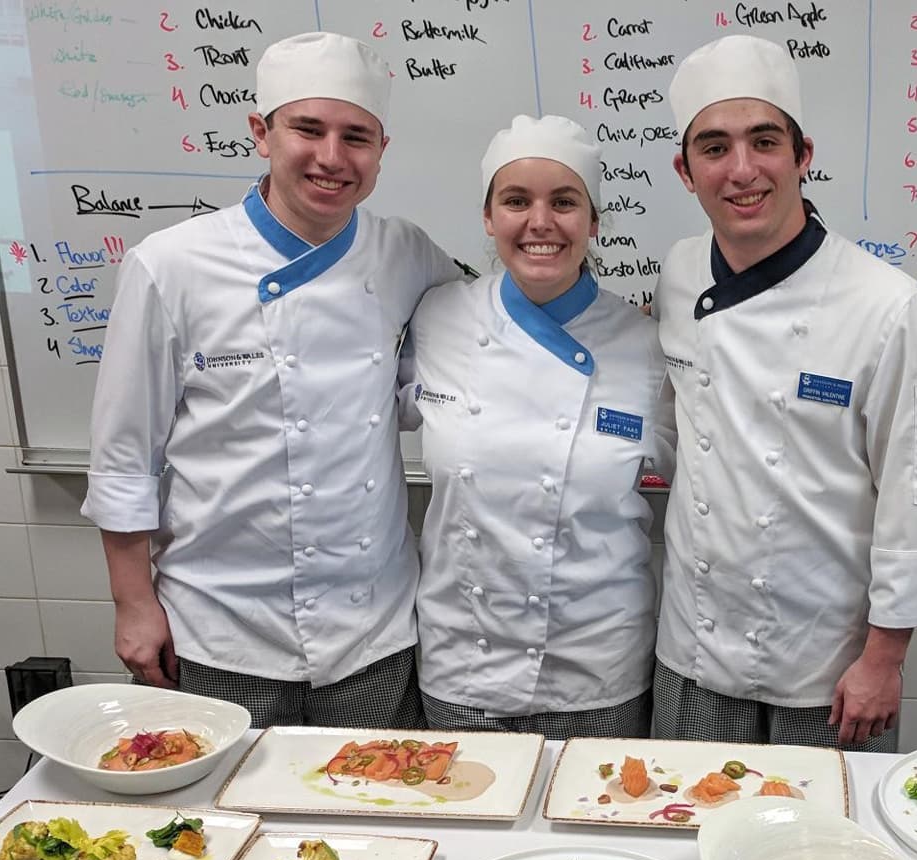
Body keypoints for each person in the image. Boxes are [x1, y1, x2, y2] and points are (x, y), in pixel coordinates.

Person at [82, 32, 468, 727]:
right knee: (231, 823)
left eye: (356, 136)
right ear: (261, 132)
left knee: (375, 813)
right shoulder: (170, 266)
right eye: (307, 129)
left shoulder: (406, 253)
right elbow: (122, 459)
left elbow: (479, 330)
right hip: (218, 627)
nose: (331, 157)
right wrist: (133, 604)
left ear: (382, 150)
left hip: (373, 631)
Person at [651, 35, 917, 752]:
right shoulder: (677, 274)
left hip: (829, 669)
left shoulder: (894, 305)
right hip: (693, 650)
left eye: (764, 142)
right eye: (715, 148)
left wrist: (885, 660)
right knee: (681, 834)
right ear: (684, 170)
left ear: (803, 156)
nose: (743, 170)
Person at [401, 115, 673, 737]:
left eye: (565, 202)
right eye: (516, 201)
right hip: (461, 668)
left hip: (600, 671)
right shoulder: (435, 319)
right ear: (489, 218)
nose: (540, 222)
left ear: (595, 222)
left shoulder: (649, 348)